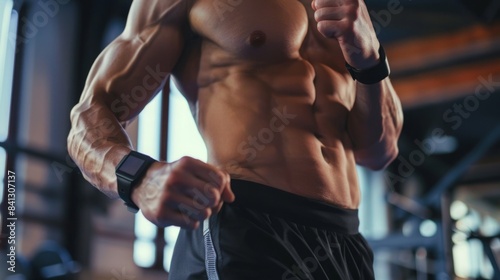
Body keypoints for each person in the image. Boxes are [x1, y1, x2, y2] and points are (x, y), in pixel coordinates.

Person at [67, 0, 403, 279]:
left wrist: (370, 60)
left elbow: (379, 152)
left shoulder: (346, 6)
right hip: (248, 224)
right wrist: (140, 177)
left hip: (346, 240)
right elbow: (89, 117)